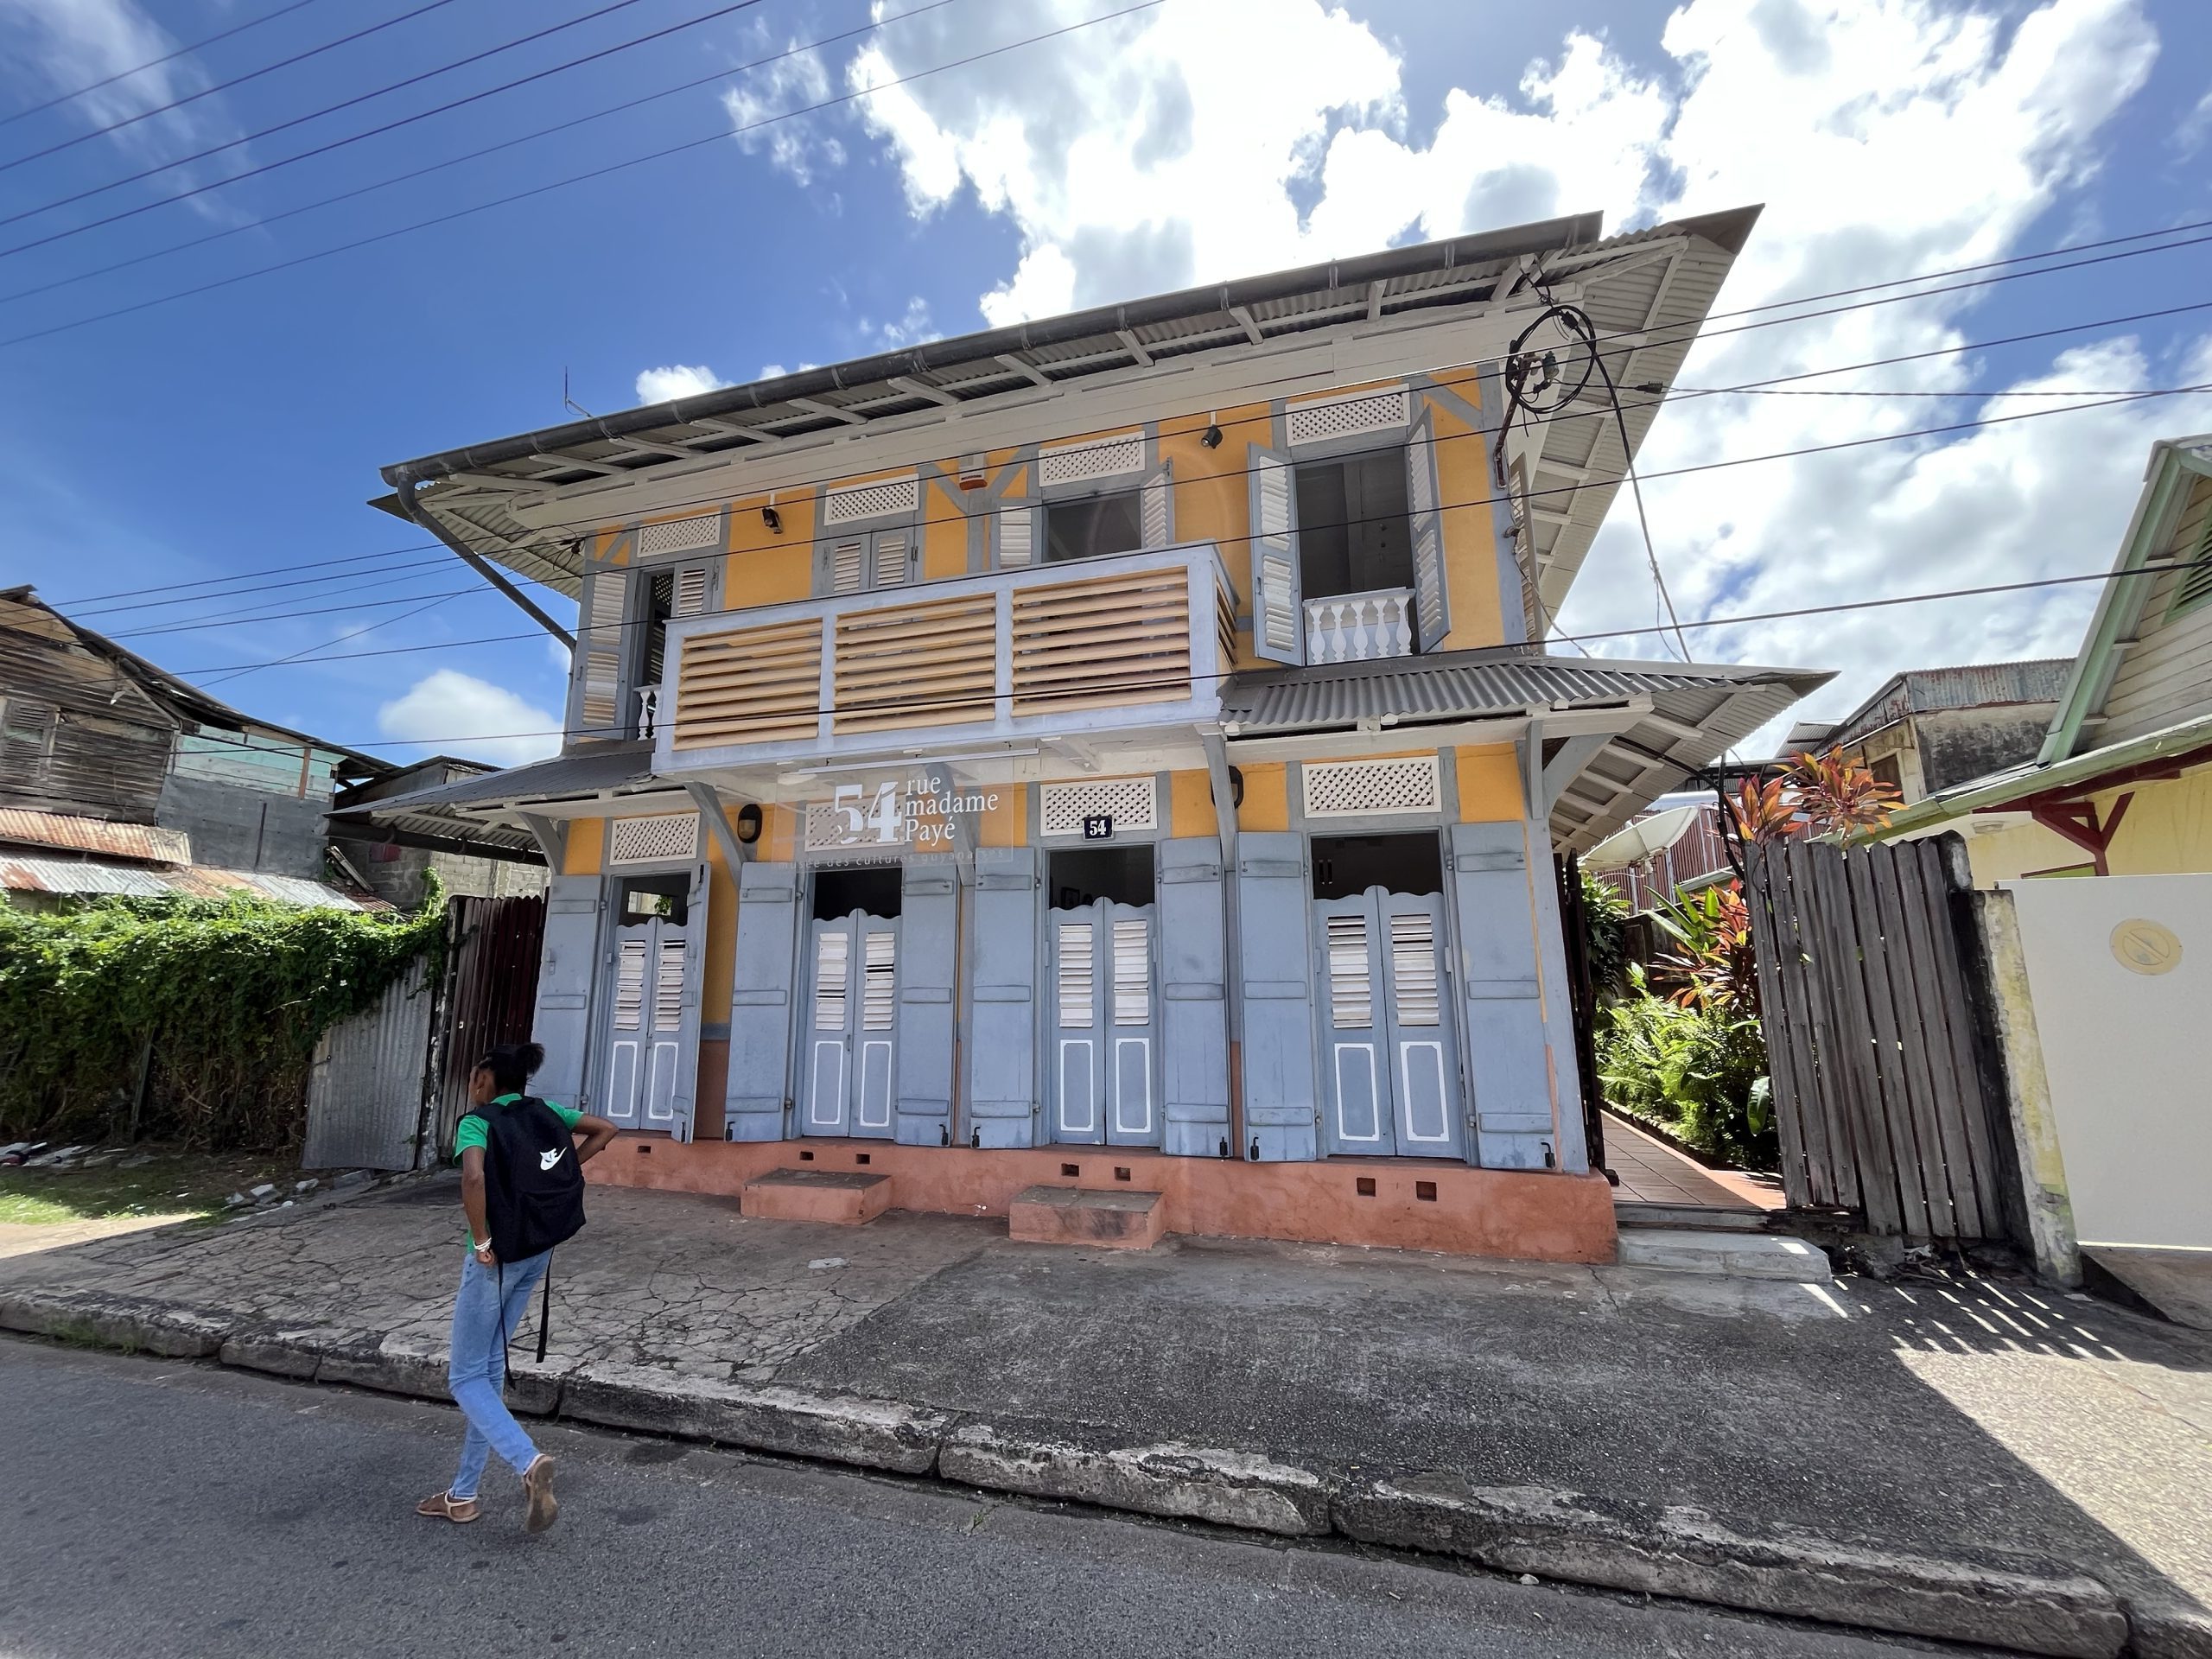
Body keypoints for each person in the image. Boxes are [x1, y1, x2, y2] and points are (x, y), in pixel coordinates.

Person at [416, 1042, 616, 1532]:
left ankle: (528, 1464)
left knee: (464, 1378)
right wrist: (562, 1172)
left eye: (474, 1078)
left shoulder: (476, 1122)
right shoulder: (546, 1111)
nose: (471, 1086)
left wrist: (482, 1241)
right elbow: (606, 1129)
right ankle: (462, 1496)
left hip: (496, 1257)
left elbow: (473, 1179)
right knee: (486, 1371)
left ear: (488, 1080)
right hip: (538, 1248)